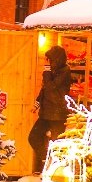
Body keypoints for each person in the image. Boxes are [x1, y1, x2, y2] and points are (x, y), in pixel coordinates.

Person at [28, 45, 73, 175]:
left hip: (58, 115)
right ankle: (46, 159)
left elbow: (51, 87)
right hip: (45, 114)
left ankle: (57, 172)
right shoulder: (51, 71)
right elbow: (44, 89)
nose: (49, 62)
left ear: (57, 59)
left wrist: (47, 72)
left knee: (57, 144)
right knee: (33, 137)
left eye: (51, 60)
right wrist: (37, 104)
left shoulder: (65, 71)